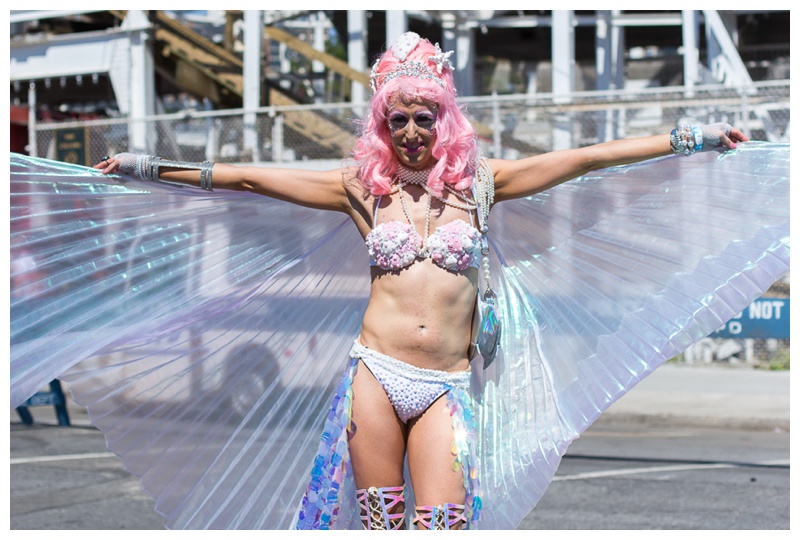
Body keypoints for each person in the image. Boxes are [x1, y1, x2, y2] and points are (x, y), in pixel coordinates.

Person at [11, 33, 787, 530]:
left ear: (444, 119)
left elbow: (585, 159)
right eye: (397, 120)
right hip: (375, 378)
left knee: (440, 524)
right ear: (382, 127)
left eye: (423, 116)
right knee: (381, 525)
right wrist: (149, 169)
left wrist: (688, 138)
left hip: (447, 386)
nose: (411, 130)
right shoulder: (363, 190)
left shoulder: (484, 184)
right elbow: (245, 178)